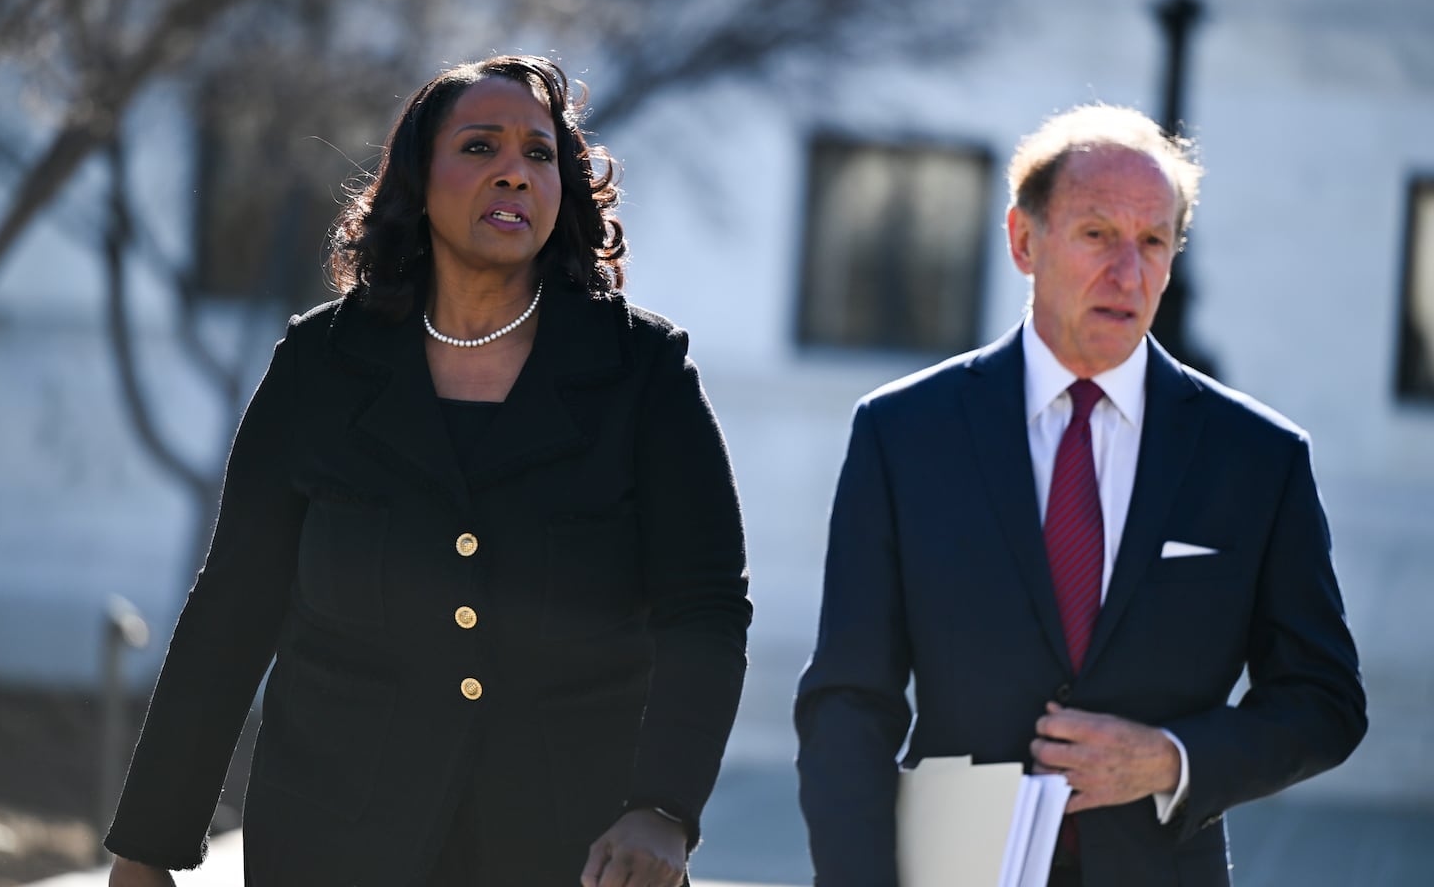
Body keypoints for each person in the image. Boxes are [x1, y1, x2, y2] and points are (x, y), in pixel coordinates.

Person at [105, 55, 751, 887]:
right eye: (480, 148)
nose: (515, 172)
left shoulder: (643, 372)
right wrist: (146, 851)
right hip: (331, 842)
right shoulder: (320, 365)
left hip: (574, 848)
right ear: (418, 180)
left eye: (541, 154)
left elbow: (705, 610)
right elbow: (234, 607)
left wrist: (663, 809)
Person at [794, 104, 1366, 887]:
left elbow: (1324, 700)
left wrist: (1174, 759)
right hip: (951, 867)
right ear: (1024, 241)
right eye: (1098, 233)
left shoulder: (1258, 459)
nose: (1127, 273)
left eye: (1153, 242)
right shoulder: (904, 433)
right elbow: (849, 702)